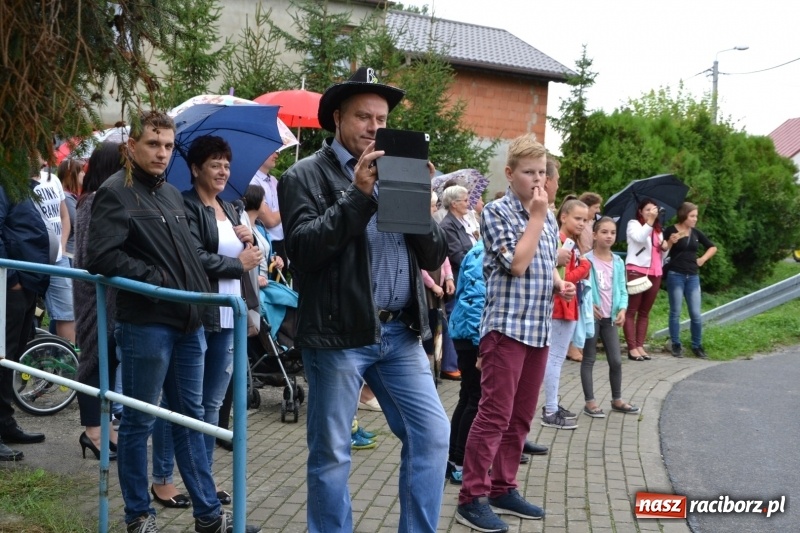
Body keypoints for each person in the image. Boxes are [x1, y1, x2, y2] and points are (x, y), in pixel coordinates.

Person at [278, 66, 450, 533]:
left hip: (400, 333)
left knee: (433, 434)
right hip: (339, 336)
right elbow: (305, 252)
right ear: (337, 118)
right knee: (332, 452)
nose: (375, 127)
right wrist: (357, 196)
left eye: (382, 118)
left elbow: (433, 255)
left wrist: (419, 199)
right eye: (363, 116)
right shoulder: (305, 176)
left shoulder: (397, 171)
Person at [85, 111, 261, 533]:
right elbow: (100, 257)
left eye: (167, 145)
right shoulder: (115, 192)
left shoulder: (170, 196)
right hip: (146, 323)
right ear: (132, 147)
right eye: (152, 144)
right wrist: (159, 280)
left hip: (190, 324)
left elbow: (190, 256)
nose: (161, 153)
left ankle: (208, 516)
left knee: (190, 418)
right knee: (140, 422)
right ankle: (138, 517)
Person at [456, 135, 575, 533]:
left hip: (538, 329)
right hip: (506, 329)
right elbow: (518, 265)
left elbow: (543, 260)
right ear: (510, 174)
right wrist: (538, 217)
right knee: (494, 415)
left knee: (520, 418)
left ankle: (503, 487)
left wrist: (559, 282)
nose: (537, 180)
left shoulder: (545, 215)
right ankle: (471, 498)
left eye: (542, 172)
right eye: (529, 173)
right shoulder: (497, 212)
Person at [150, 135, 262, 509]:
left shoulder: (231, 207)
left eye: (226, 164)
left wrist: (251, 240)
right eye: (214, 163)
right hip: (201, 314)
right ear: (196, 169)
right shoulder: (185, 206)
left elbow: (251, 257)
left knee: (213, 403)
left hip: (231, 314)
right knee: (182, 403)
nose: (222, 170)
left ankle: (203, 481)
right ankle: (163, 479)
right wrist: (237, 263)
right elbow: (193, 257)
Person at [74, 142, 124, 460]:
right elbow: (93, 252)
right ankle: (93, 431)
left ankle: (105, 427)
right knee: (94, 358)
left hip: (105, 293)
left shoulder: (95, 199)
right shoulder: (94, 201)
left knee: (110, 358)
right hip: (95, 293)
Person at [0, 176, 51, 461]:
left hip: (26, 284)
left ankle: (6, 423)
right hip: (11, 285)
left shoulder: (20, 184)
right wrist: (13, 279)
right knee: (2, 356)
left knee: (12, 356)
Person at [581, 217, 640, 417]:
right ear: (595, 235)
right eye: (604, 232)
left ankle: (617, 399)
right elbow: (580, 288)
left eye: (612, 232)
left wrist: (622, 309)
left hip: (611, 318)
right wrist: (589, 304)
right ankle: (590, 402)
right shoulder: (585, 259)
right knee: (589, 359)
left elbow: (623, 290)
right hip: (592, 318)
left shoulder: (618, 261)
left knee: (615, 360)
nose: (609, 236)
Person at [540, 198, 591, 430]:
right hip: (560, 305)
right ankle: (550, 409)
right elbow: (562, 279)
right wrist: (584, 268)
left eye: (586, 220)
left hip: (568, 306)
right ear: (563, 217)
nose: (582, 223)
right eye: (578, 218)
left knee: (556, 359)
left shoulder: (571, 242)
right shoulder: (560, 242)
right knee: (555, 359)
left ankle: (552, 404)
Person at [662, 202, 717, 359]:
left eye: (696, 216)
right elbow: (662, 249)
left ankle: (697, 345)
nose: (695, 219)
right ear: (684, 215)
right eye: (692, 216)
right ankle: (676, 344)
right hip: (675, 275)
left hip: (692, 276)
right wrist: (671, 241)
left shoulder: (695, 233)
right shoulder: (671, 230)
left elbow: (712, 247)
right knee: (675, 312)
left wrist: (703, 259)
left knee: (695, 313)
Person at [32, 164, 75, 344]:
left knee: (68, 312)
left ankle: (68, 365)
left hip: (58, 259)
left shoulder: (52, 178)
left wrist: (62, 247)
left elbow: (64, 216)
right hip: (31, 259)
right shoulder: (15, 183)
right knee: (26, 313)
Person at [422, 191, 458, 381]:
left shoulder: (435, 226)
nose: (435, 209)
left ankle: (435, 369)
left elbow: (444, 256)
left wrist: (449, 277)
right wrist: (432, 285)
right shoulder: (418, 228)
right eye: (432, 205)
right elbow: (418, 266)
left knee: (440, 328)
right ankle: (428, 371)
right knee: (428, 329)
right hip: (427, 290)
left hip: (439, 286)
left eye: (435, 205)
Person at [623, 197, 664, 361]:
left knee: (645, 312)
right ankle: (632, 347)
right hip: (636, 270)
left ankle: (640, 345)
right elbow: (639, 238)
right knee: (632, 310)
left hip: (655, 271)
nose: (651, 212)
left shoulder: (658, 229)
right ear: (640, 211)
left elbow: (659, 253)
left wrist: (668, 245)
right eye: (647, 209)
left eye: (653, 209)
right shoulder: (634, 224)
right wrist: (650, 222)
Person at [567, 191, 603, 363]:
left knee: (583, 306)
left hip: (583, 266)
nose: (597, 211)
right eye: (595, 208)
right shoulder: (581, 228)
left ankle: (577, 345)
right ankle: (573, 347)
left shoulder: (590, 224)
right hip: (580, 265)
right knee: (579, 306)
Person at [250, 151, 288, 272]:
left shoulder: (274, 180)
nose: (277, 155)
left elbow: (275, 215)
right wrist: (288, 208)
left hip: (281, 240)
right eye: (273, 152)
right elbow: (269, 220)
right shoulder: (253, 181)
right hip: (266, 243)